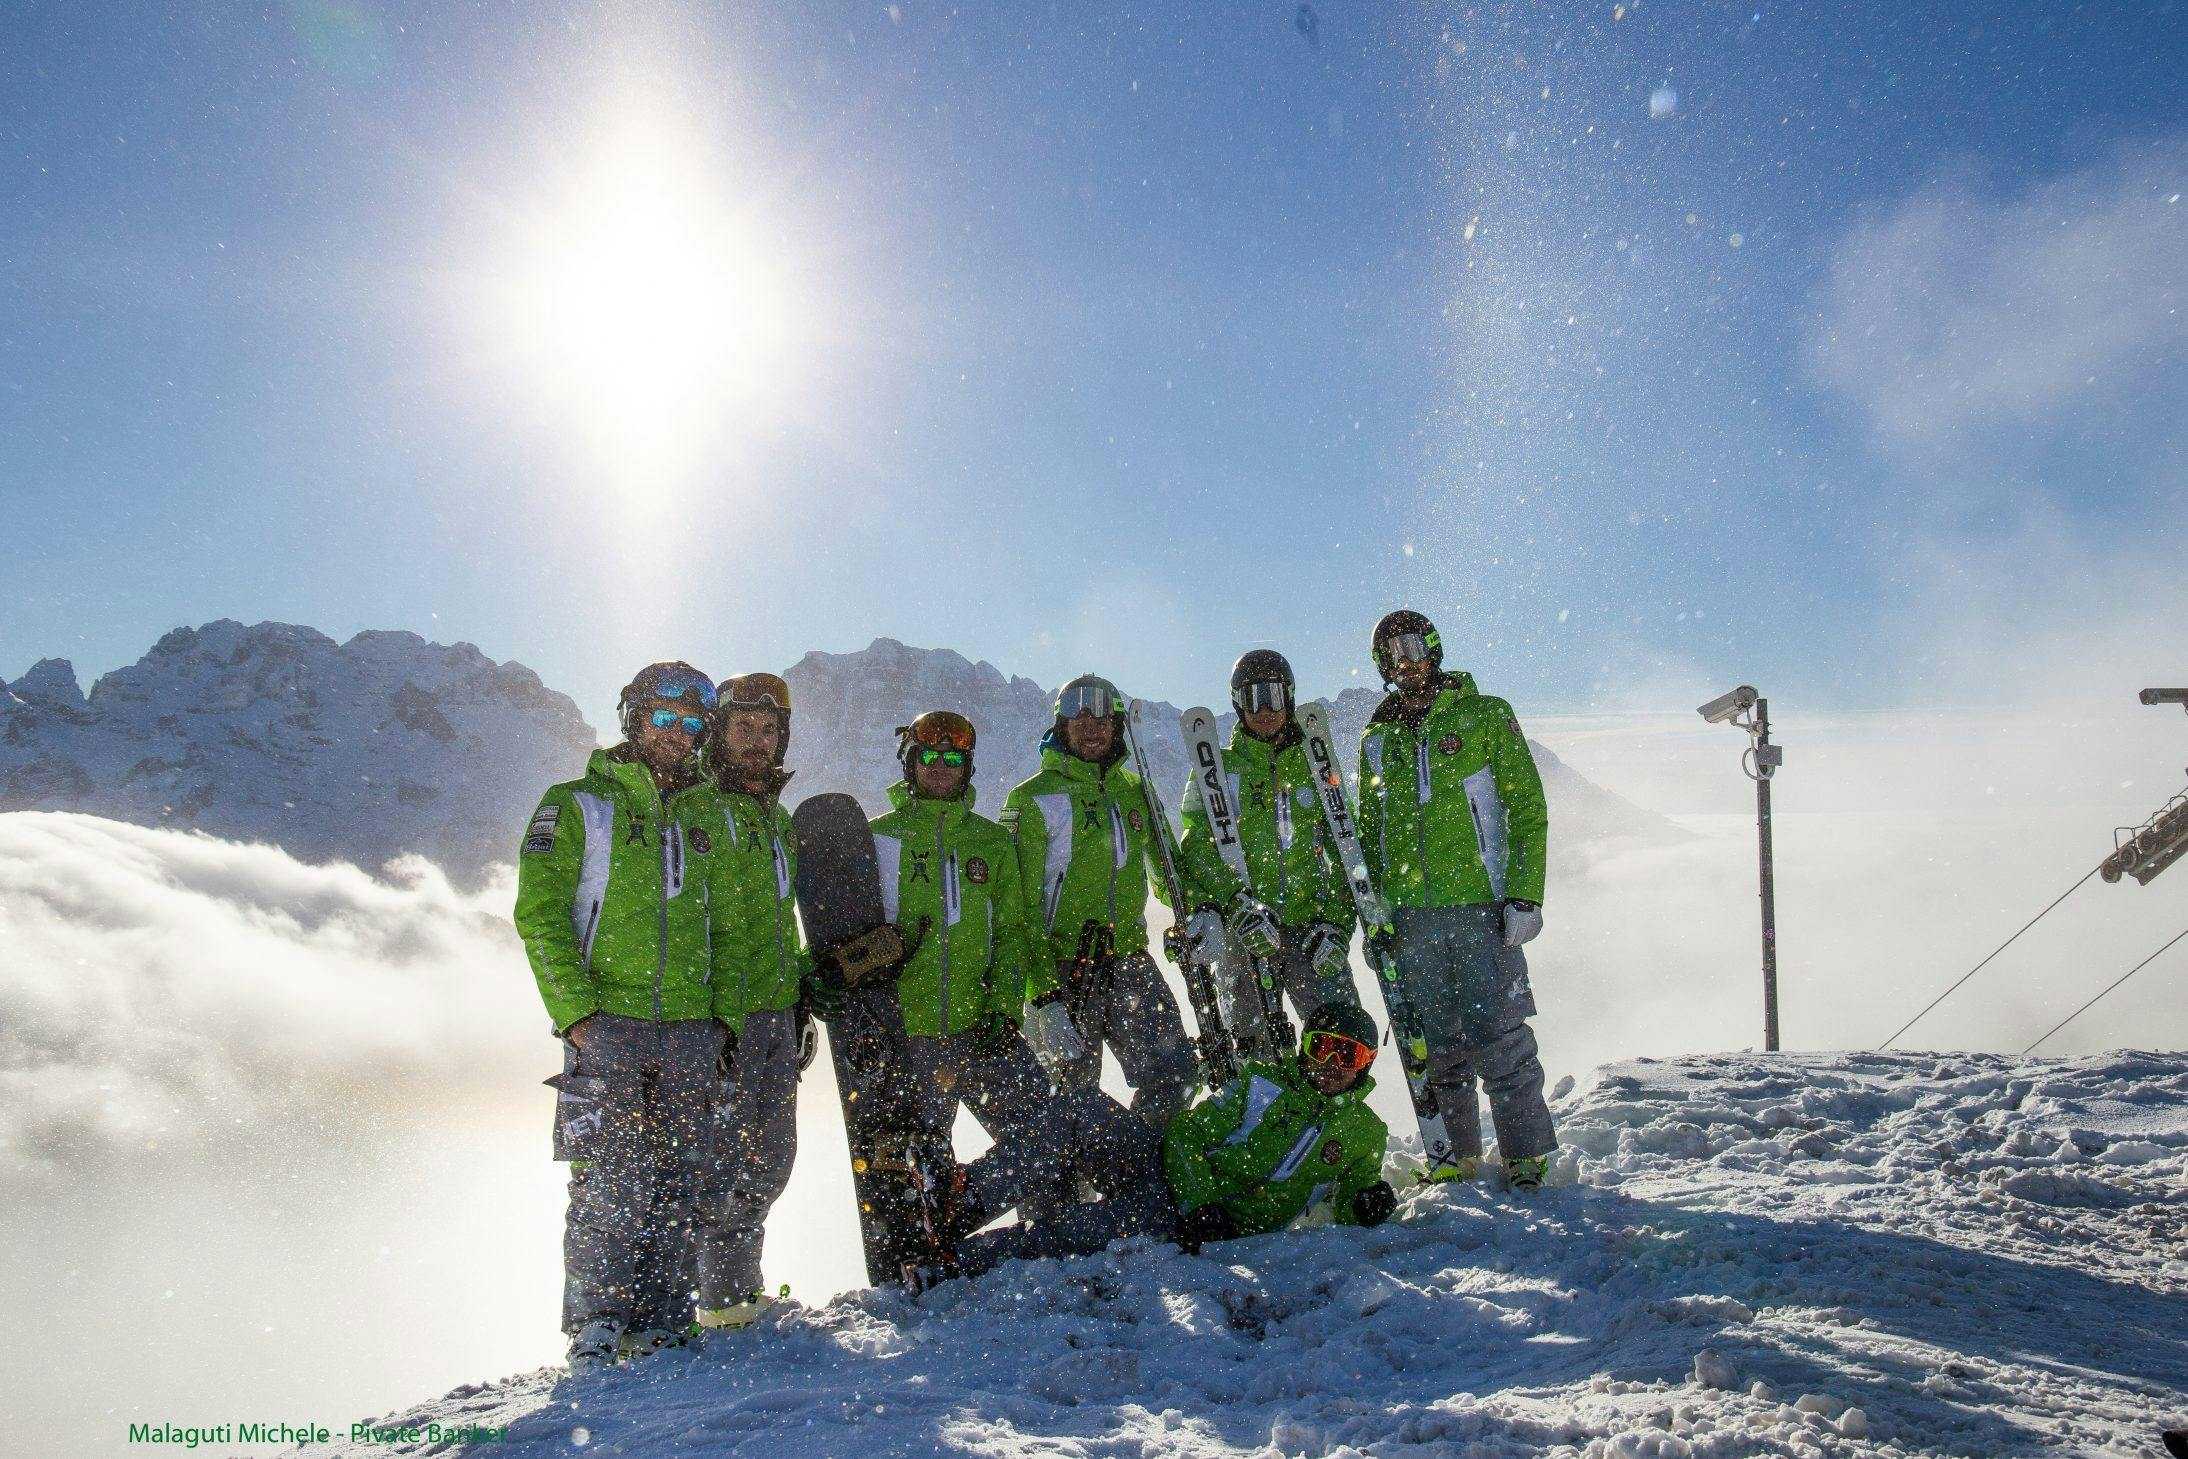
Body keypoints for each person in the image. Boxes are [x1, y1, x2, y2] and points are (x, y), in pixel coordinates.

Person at [808, 709, 1085, 1277]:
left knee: (1044, 1132)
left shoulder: (989, 842)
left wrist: (1005, 1007)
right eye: (928, 757)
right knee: (917, 1161)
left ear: (968, 767)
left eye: (952, 758)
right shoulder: (877, 839)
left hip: (979, 1027)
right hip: (907, 1041)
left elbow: (1012, 934)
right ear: (909, 763)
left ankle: (1043, 1232)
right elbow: (836, 928)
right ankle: (926, 1251)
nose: (940, 767)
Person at [512, 661, 729, 1373]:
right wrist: (577, 1015)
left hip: (692, 1027)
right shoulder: (576, 804)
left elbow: (725, 925)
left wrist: (721, 1017)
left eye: (692, 722)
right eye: (664, 717)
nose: (678, 733)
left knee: (682, 1176)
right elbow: (539, 913)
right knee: (611, 1179)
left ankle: (666, 1315)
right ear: (633, 718)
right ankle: (598, 1322)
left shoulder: (707, 815)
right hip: (607, 1024)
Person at [1355, 609, 1558, 1190]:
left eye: (1415, 647)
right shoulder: (1377, 739)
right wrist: (1378, 918)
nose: (1407, 662)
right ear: (1382, 668)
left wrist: (1524, 893)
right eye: (1392, 655)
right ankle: (1456, 1156)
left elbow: (1526, 808)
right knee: (1437, 1045)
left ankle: (1525, 1154)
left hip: (1481, 907)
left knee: (1500, 1037)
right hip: (1412, 916)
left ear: (1436, 649)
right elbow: (1369, 836)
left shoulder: (1485, 715)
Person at [1002, 675, 1200, 1127]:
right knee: (1064, 1106)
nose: (1091, 726)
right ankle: (1070, 1194)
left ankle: (1135, 1172)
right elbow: (1017, 908)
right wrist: (1042, 994)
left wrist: (1196, 910)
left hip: (1129, 959)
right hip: (1062, 969)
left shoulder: (1135, 790)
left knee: (1176, 1078)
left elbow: (1167, 869)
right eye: (1078, 714)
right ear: (1061, 724)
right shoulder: (1032, 799)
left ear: (1116, 724)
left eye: (1101, 716)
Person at [690, 672, 811, 1332]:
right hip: (717, 1017)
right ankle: (709, 1304)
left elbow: (780, 918)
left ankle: (738, 1291)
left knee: (770, 1158)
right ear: (720, 733)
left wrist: (799, 1000)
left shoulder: (779, 821)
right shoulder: (695, 810)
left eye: (769, 731)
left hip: (774, 1012)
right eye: (744, 728)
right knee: (719, 1165)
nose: (758, 742)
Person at [1175, 648, 1360, 1044]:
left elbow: (1348, 851)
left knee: (1339, 1047)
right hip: (1246, 937)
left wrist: (1340, 926)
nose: (1263, 709)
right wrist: (1235, 903)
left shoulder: (1317, 765)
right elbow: (1196, 850)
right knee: (1254, 1059)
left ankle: (1337, 1107)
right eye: (1251, 697)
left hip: (1312, 932)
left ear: (1289, 697)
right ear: (1237, 704)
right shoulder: (1216, 770)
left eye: (1272, 696)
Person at [1162, 1000, 1397, 1249]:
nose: (1332, 1062)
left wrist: (1366, 1207)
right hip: (1171, 1204)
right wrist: (1200, 1204)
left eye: (1348, 1055)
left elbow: (1346, 1206)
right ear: (1305, 1048)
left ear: (1365, 1065)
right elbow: (1184, 1133)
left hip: (1246, 1246)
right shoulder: (1260, 1084)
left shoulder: (1365, 1132)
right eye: (1322, 1047)